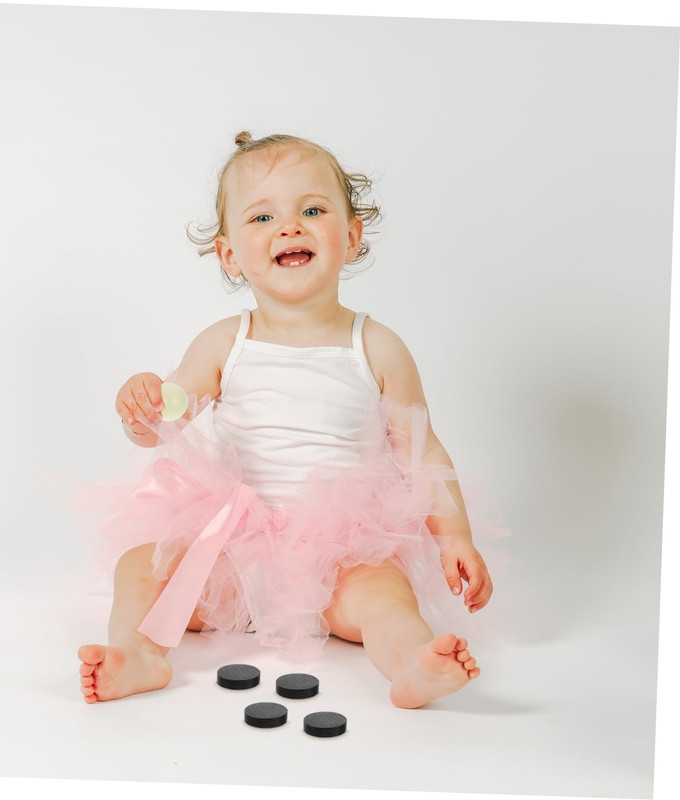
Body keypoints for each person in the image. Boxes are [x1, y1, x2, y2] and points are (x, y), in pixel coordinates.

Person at [77, 131, 497, 709]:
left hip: (340, 558)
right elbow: (163, 421)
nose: (290, 227)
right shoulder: (225, 342)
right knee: (140, 567)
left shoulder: (376, 345)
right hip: (230, 552)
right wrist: (140, 405)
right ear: (229, 254)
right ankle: (139, 654)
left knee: (384, 592)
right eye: (262, 217)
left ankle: (410, 661)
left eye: (313, 211)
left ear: (351, 236)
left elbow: (421, 452)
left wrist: (455, 537)